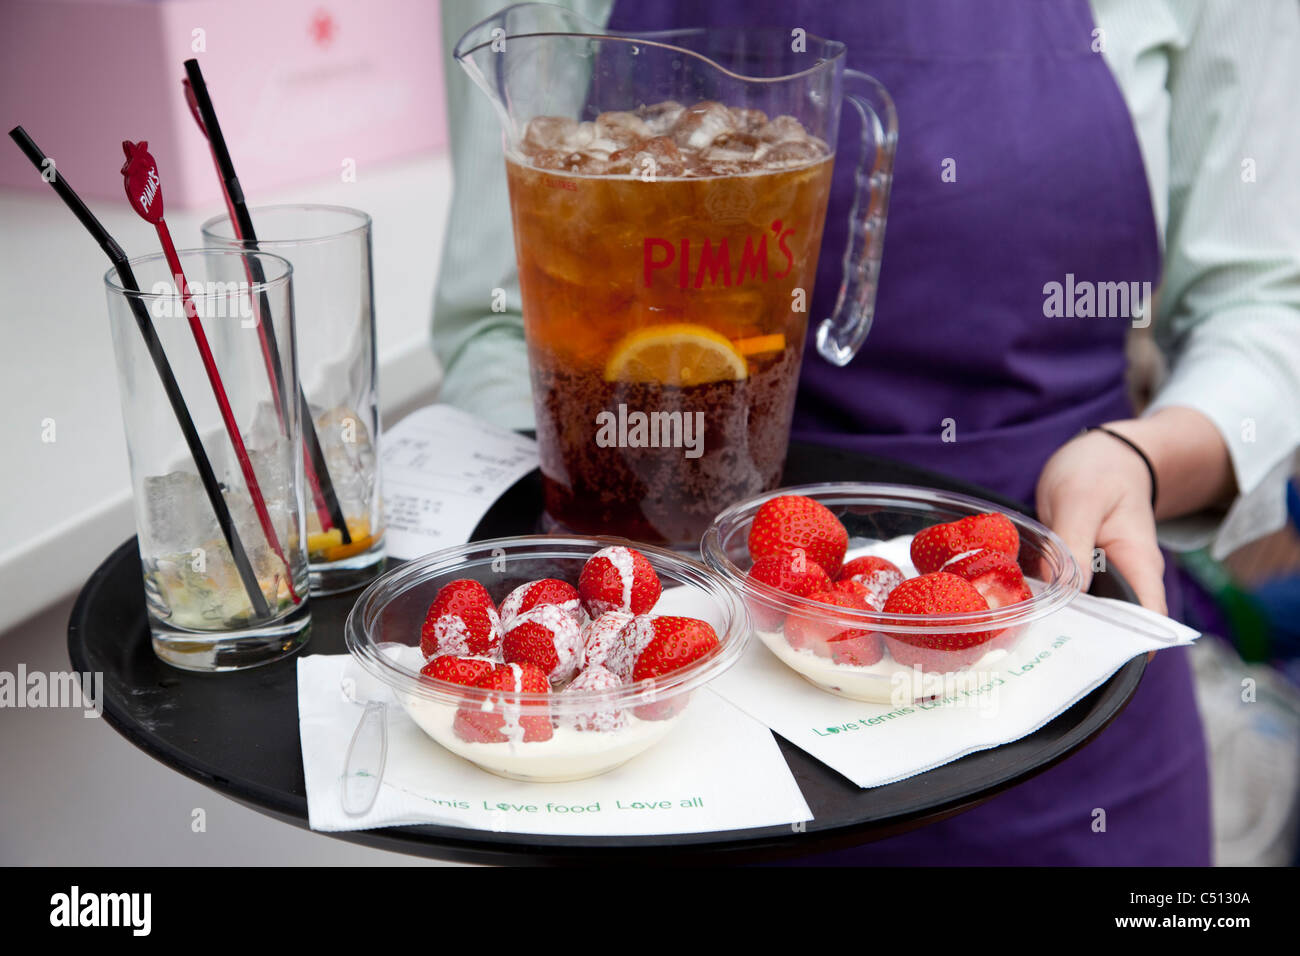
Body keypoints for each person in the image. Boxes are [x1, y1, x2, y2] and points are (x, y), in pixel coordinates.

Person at [432, 0, 1300, 864]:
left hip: (1042, 652)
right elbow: (496, 324)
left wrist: (1137, 461)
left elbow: (1266, 307)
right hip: (662, 711)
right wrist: (576, 571)